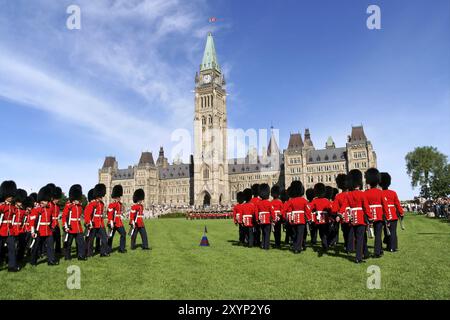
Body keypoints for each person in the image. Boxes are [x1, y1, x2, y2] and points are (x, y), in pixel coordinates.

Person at [346, 169, 372, 263]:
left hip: (353, 218)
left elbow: (346, 206)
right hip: (361, 218)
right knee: (360, 238)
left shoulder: (349, 195)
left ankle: (366, 253)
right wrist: (370, 217)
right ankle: (358, 257)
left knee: (358, 237)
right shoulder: (361, 194)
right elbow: (366, 207)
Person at [29, 185, 59, 266]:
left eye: (46, 201)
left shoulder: (50, 208)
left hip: (48, 230)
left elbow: (53, 218)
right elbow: (32, 221)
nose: (46, 202)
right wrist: (32, 231)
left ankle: (51, 260)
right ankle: (33, 261)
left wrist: (53, 226)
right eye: (44, 201)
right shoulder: (36, 209)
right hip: (39, 231)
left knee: (50, 246)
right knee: (36, 246)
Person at [364, 168, 389, 258]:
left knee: (372, 234)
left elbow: (365, 206)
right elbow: (385, 205)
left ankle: (378, 250)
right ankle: (377, 252)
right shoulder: (380, 192)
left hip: (369, 215)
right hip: (379, 215)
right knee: (378, 234)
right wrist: (387, 216)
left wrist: (367, 216)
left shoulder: (365, 193)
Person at [380, 172, 404, 252]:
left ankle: (388, 245)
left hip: (383, 214)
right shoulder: (393, 193)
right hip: (393, 214)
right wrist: (401, 212)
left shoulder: (380, 193)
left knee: (386, 230)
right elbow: (397, 204)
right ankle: (392, 247)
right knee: (393, 231)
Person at [62, 184, 87, 261]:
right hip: (70, 226)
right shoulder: (68, 206)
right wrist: (65, 226)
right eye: (76, 199)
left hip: (78, 227)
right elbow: (64, 217)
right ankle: (67, 256)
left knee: (81, 242)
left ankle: (81, 256)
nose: (78, 200)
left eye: (78, 199)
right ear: (73, 198)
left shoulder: (79, 206)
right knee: (68, 242)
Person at [0, 181, 20, 272]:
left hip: (10, 230)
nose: (11, 197)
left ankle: (12, 266)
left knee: (12, 248)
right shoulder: (1, 206)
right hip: (1, 229)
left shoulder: (13, 207)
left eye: (12, 196)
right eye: (9, 196)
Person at [286, 181, 311, 254]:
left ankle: (295, 246)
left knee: (294, 234)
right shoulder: (304, 200)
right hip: (301, 220)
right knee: (300, 234)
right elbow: (307, 210)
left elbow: (287, 208)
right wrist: (309, 219)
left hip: (293, 219)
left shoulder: (291, 201)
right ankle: (298, 248)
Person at [332, 174, 354, 253]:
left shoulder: (338, 196)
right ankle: (350, 247)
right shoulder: (352, 194)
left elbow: (334, 209)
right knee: (351, 232)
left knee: (345, 232)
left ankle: (346, 245)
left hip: (343, 216)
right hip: (352, 215)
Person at [309, 183, 332, 252]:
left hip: (318, 219)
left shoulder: (314, 200)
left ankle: (324, 244)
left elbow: (311, 208)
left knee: (321, 233)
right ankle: (325, 243)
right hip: (326, 218)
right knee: (325, 232)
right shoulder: (326, 200)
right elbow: (329, 209)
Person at [107, 185, 127, 253]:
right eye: (118, 197)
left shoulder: (120, 204)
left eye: (119, 197)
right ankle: (108, 249)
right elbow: (110, 214)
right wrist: (110, 221)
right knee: (110, 236)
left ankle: (121, 249)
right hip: (112, 222)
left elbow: (120, 211)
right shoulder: (112, 204)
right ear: (116, 197)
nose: (119, 198)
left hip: (118, 222)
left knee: (123, 233)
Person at [256, 183, 274, 250]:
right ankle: (266, 246)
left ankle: (262, 244)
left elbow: (256, 212)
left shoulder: (258, 203)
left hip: (261, 220)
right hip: (267, 219)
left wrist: (257, 219)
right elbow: (272, 212)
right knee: (267, 233)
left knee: (263, 232)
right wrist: (273, 219)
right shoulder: (269, 203)